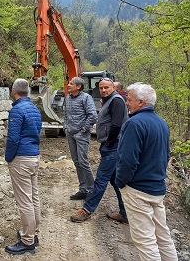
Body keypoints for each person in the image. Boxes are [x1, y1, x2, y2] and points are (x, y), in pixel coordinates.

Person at [116, 83, 178, 260]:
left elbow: (127, 160)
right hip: (157, 188)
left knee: (145, 241)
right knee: (163, 237)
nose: (126, 103)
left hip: (138, 190)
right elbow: (165, 156)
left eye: (129, 99)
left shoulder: (134, 124)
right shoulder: (162, 123)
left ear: (141, 102)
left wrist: (121, 182)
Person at [70, 77, 128, 223]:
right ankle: (125, 212)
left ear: (113, 88)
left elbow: (116, 125)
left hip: (113, 146)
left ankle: (87, 210)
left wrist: (108, 141)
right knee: (115, 180)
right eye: (101, 88)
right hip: (111, 145)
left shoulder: (116, 101)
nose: (103, 90)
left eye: (106, 87)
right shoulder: (110, 100)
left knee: (101, 179)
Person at [4, 78, 42, 255]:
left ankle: (27, 241)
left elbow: (13, 138)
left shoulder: (17, 110)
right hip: (34, 155)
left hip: (21, 158)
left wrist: (8, 158)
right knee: (33, 197)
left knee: (24, 201)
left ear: (14, 91)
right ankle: (33, 234)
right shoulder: (35, 109)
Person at [64, 77, 97, 200]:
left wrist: (84, 129)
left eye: (71, 84)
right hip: (70, 133)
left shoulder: (86, 98)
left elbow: (93, 115)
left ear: (78, 86)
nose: (68, 85)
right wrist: (66, 127)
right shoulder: (68, 98)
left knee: (83, 162)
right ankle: (83, 190)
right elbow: (66, 114)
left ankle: (92, 190)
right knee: (76, 162)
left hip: (81, 134)